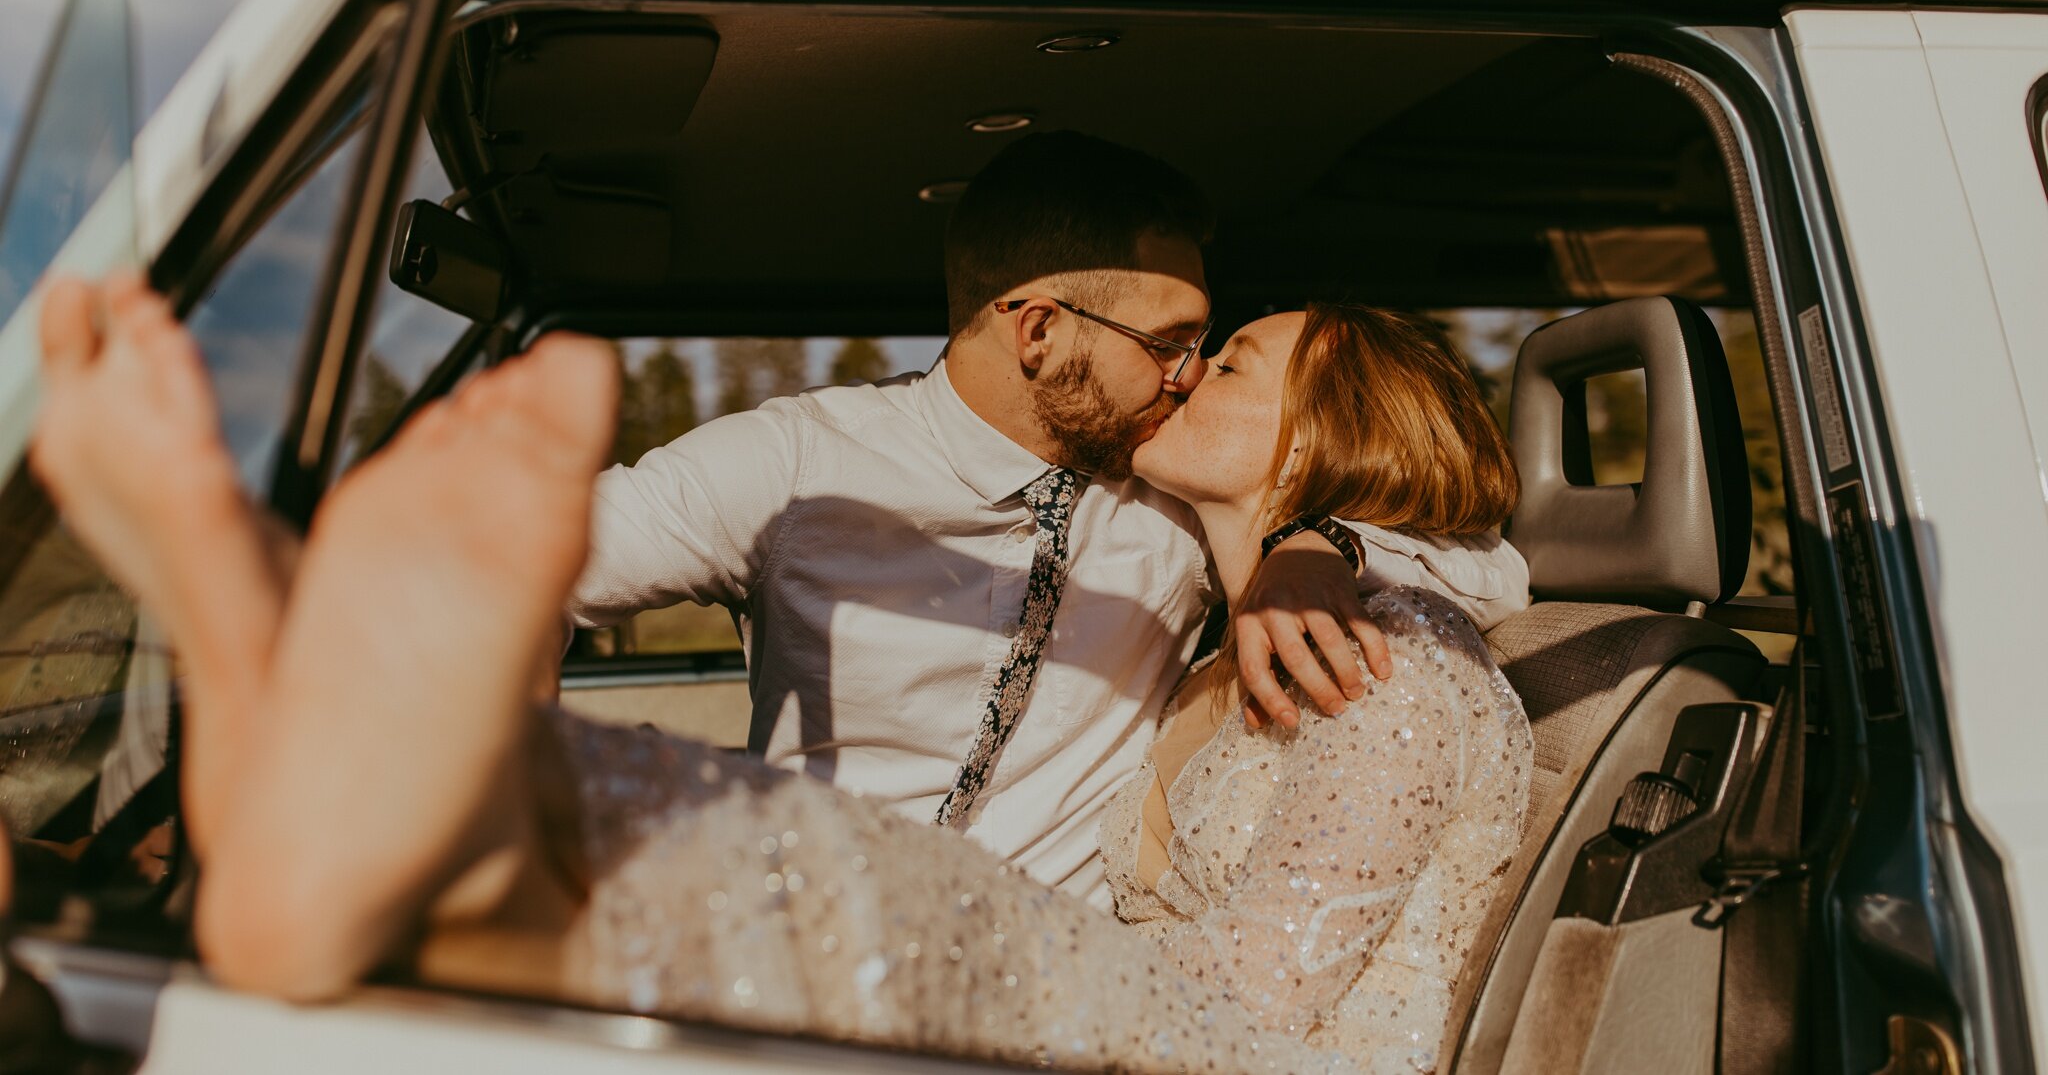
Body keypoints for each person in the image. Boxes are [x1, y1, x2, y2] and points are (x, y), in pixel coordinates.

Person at [28, 272, 1531, 1073]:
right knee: (796, 873)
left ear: (1329, 436)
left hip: (1230, 1053)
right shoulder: (1234, 594)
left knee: (841, 887)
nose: (1192, 371)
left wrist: (1320, 540)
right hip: (1115, 1005)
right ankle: (350, 737)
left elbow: (1257, 1015)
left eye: (1235, 357)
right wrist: (1301, 543)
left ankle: (325, 710)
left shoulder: (1369, 655)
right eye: (1188, 342)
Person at [566, 131, 1389, 906]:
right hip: (806, 965)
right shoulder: (796, 466)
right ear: (1039, 331)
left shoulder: (1176, 492)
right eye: (1168, 341)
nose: (1190, 374)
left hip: (1058, 999)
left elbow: (1488, 567)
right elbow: (513, 563)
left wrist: (1317, 542)